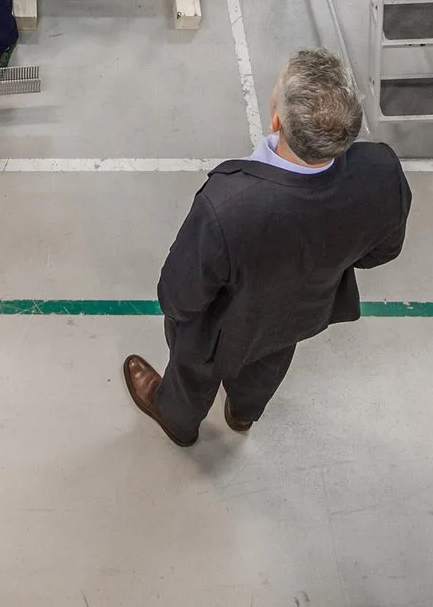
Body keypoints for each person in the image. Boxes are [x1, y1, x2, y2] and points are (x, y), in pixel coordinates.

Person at [122, 48, 410, 445]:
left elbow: (178, 297)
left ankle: (177, 420)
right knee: (269, 362)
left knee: (194, 370)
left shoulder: (229, 205)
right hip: (298, 313)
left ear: (276, 121)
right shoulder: (381, 171)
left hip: (221, 327)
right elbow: (383, 251)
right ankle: (243, 414)